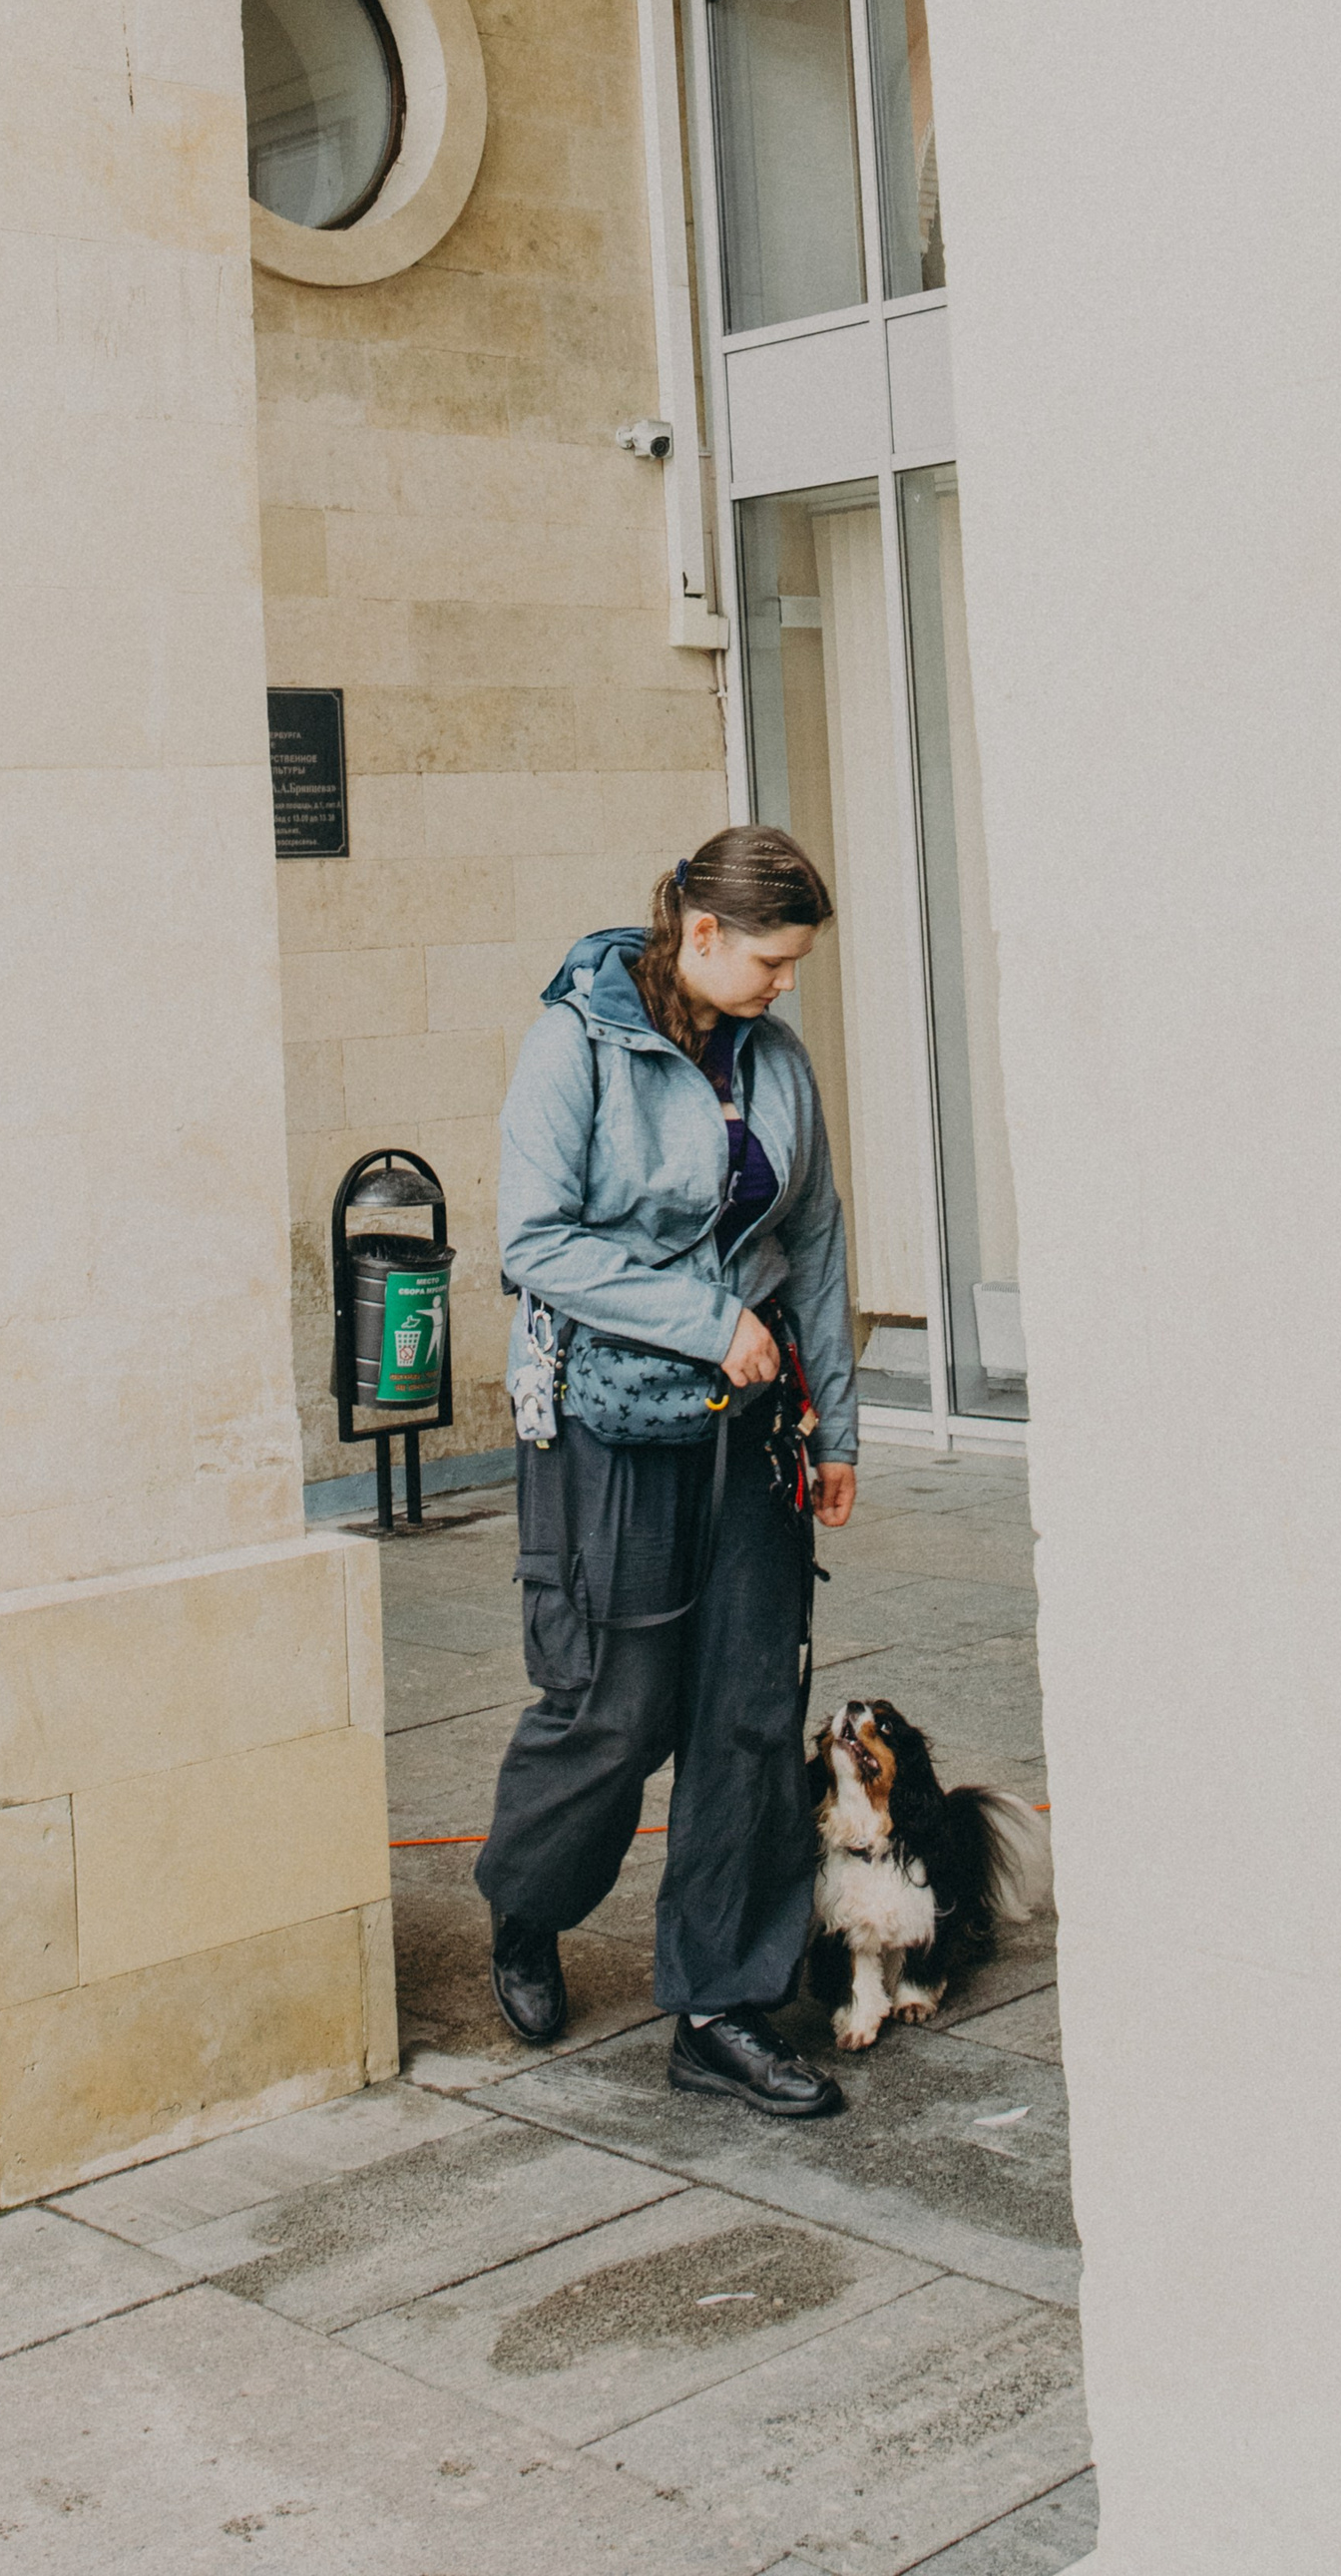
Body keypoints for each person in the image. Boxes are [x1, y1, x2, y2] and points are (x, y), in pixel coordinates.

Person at [476, 823, 860, 2118]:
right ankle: (527, 1906)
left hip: (746, 1439)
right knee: (613, 1711)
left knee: (748, 1719)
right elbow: (535, 1241)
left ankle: (720, 2005)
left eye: (795, 964)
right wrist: (705, 1322)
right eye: (769, 961)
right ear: (701, 935)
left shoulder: (777, 1059)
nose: (784, 984)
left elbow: (811, 1240)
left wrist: (840, 1431)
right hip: (611, 1428)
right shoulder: (575, 1042)